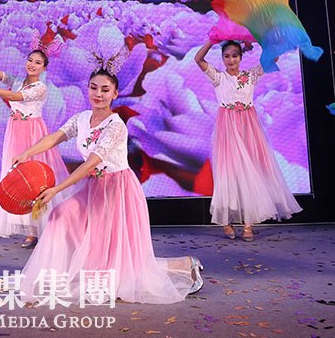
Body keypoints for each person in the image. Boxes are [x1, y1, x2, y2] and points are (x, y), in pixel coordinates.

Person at [18, 68, 203, 304]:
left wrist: (56, 189)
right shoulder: (82, 119)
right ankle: (57, 276)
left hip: (118, 190)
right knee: (60, 215)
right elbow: (54, 138)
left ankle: (186, 264)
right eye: (94, 88)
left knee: (125, 264)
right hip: (93, 187)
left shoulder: (116, 126)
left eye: (105, 90)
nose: (98, 94)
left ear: (115, 94)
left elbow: (92, 163)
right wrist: (26, 153)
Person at [193, 39, 301, 241]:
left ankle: (248, 225)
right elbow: (198, 59)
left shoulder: (251, 75)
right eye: (227, 56)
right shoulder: (218, 77)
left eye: (235, 55)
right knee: (228, 174)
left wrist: (259, 39)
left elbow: (273, 58)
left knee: (251, 172)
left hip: (249, 128)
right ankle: (226, 222)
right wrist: (211, 41)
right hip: (227, 129)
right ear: (222, 58)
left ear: (241, 57)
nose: (231, 59)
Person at [0, 48, 68, 248]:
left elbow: (13, 96)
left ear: (44, 68)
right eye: (30, 60)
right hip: (15, 132)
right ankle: (31, 229)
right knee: (17, 177)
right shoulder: (17, 80)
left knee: (35, 178)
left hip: (33, 134)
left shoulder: (40, 88)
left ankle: (44, 227)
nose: (32, 65)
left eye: (38, 63)